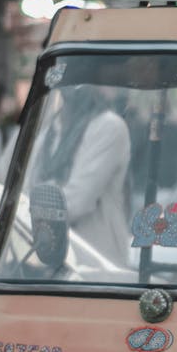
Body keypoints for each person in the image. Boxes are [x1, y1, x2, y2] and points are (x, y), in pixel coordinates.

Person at [32, 84, 131, 262]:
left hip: (98, 263)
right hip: (53, 260)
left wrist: (34, 206)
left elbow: (75, 202)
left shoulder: (108, 126)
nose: (72, 89)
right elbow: (26, 191)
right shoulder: (49, 131)